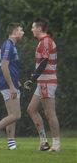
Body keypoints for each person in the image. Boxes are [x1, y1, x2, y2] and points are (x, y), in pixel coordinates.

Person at [25, 18, 61, 152]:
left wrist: (33, 78)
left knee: (50, 114)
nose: (32, 29)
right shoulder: (43, 41)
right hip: (43, 81)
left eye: (33, 27)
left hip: (46, 81)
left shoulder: (45, 41)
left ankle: (56, 145)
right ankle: (44, 142)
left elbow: (44, 62)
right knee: (31, 109)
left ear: (39, 28)